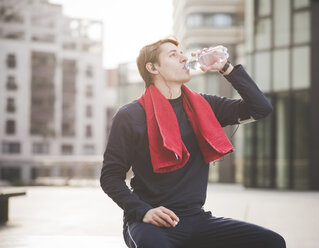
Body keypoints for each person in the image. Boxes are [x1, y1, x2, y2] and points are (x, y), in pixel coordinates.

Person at [100, 36, 286, 248]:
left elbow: (261, 108)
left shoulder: (205, 105)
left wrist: (225, 67)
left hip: (196, 219)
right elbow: (110, 177)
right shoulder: (130, 114)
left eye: (182, 53)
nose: (183, 58)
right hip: (151, 223)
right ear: (152, 68)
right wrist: (143, 211)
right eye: (173, 54)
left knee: (271, 242)